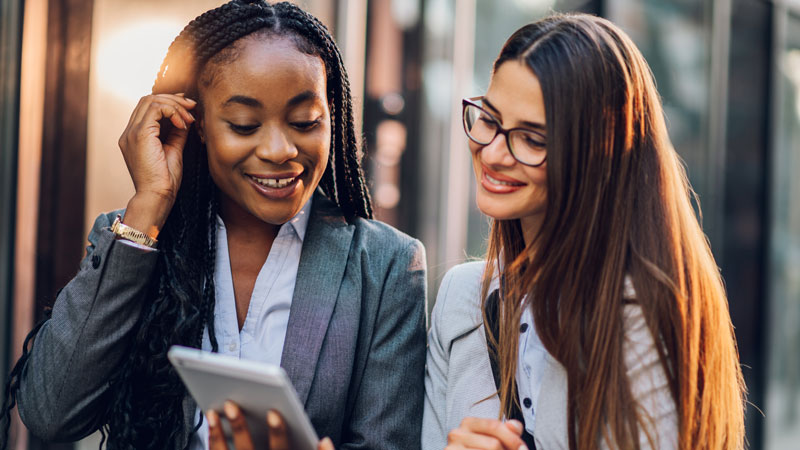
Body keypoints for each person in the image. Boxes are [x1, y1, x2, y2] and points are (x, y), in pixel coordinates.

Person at [1, 1, 427, 449]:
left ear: (332, 117)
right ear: (199, 124)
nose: (280, 149)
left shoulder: (385, 266)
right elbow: (50, 413)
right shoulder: (137, 239)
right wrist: (149, 206)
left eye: (305, 122)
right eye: (244, 125)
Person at [422, 14, 745, 450]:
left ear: (598, 154)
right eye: (489, 119)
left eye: (532, 139)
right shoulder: (461, 301)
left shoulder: (645, 320)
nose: (493, 152)